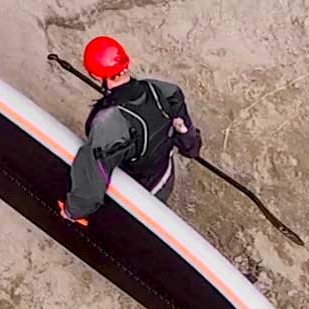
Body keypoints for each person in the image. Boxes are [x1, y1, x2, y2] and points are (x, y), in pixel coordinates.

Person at [58, 36, 205, 224]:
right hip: (165, 177)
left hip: (139, 191)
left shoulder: (109, 123)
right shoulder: (165, 91)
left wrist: (74, 211)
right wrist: (190, 146)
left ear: (95, 74)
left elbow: (93, 173)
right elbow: (190, 145)